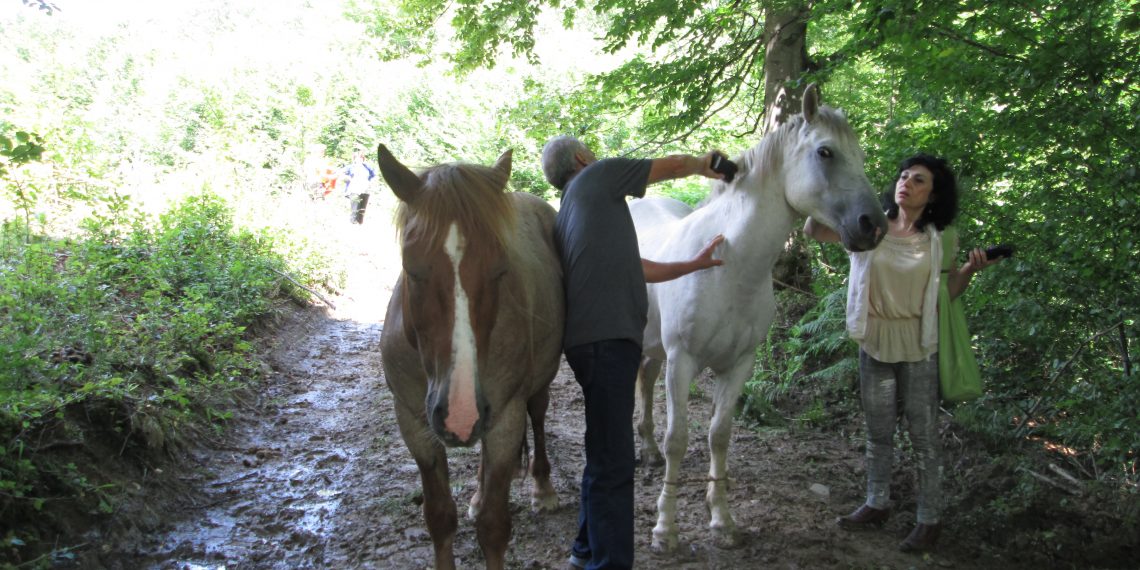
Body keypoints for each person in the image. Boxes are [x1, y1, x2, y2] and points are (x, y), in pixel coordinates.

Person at [542, 135, 729, 570]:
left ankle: (585, 549)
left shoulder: (569, 214)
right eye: (591, 151)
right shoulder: (599, 177)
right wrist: (708, 165)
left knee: (603, 452)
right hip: (609, 342)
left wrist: (693, 264)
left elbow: (636, 265)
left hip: (587, 345)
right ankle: (609, 563)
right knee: (615, 464)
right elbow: (671, 164)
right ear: (583, 159)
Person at [803, 153, 1004, 553]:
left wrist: (967, 272)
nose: (906, 183)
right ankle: (877, 503)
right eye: (904, 176)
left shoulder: (942, 239)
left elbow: (943, 297)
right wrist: (828, 186)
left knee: (924, 436)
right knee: (878, 434)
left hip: (918, 344)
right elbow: (812, 229)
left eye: (918, 181)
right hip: (874, 339)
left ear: (932, 196)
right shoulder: (870, 225)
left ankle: (929, 519)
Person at [342, 150, 376, 224]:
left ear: (363, 159)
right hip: (354, 190)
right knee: (354, 209)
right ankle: (352, 224)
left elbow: (373, 176)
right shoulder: (350, 167)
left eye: (361, 158)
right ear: (354, 159)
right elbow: (342, 175)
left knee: (362, 210)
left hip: (365, 190)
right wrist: (348, 178)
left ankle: (359, 225)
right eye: (357, 158)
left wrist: (371, 183)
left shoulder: (367, 168)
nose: (359, 160)